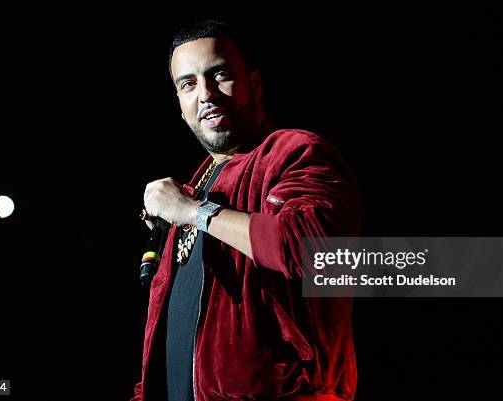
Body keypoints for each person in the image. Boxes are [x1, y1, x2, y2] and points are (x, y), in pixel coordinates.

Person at [131, 20, 363, 401]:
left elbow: (318, 252)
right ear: (179, 104)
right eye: (188, 84)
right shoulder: (193, 190)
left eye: (219, 74)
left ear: (255, 84)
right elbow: (168, 339)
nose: (205, 94)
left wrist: (195, 212)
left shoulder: (295, 153)